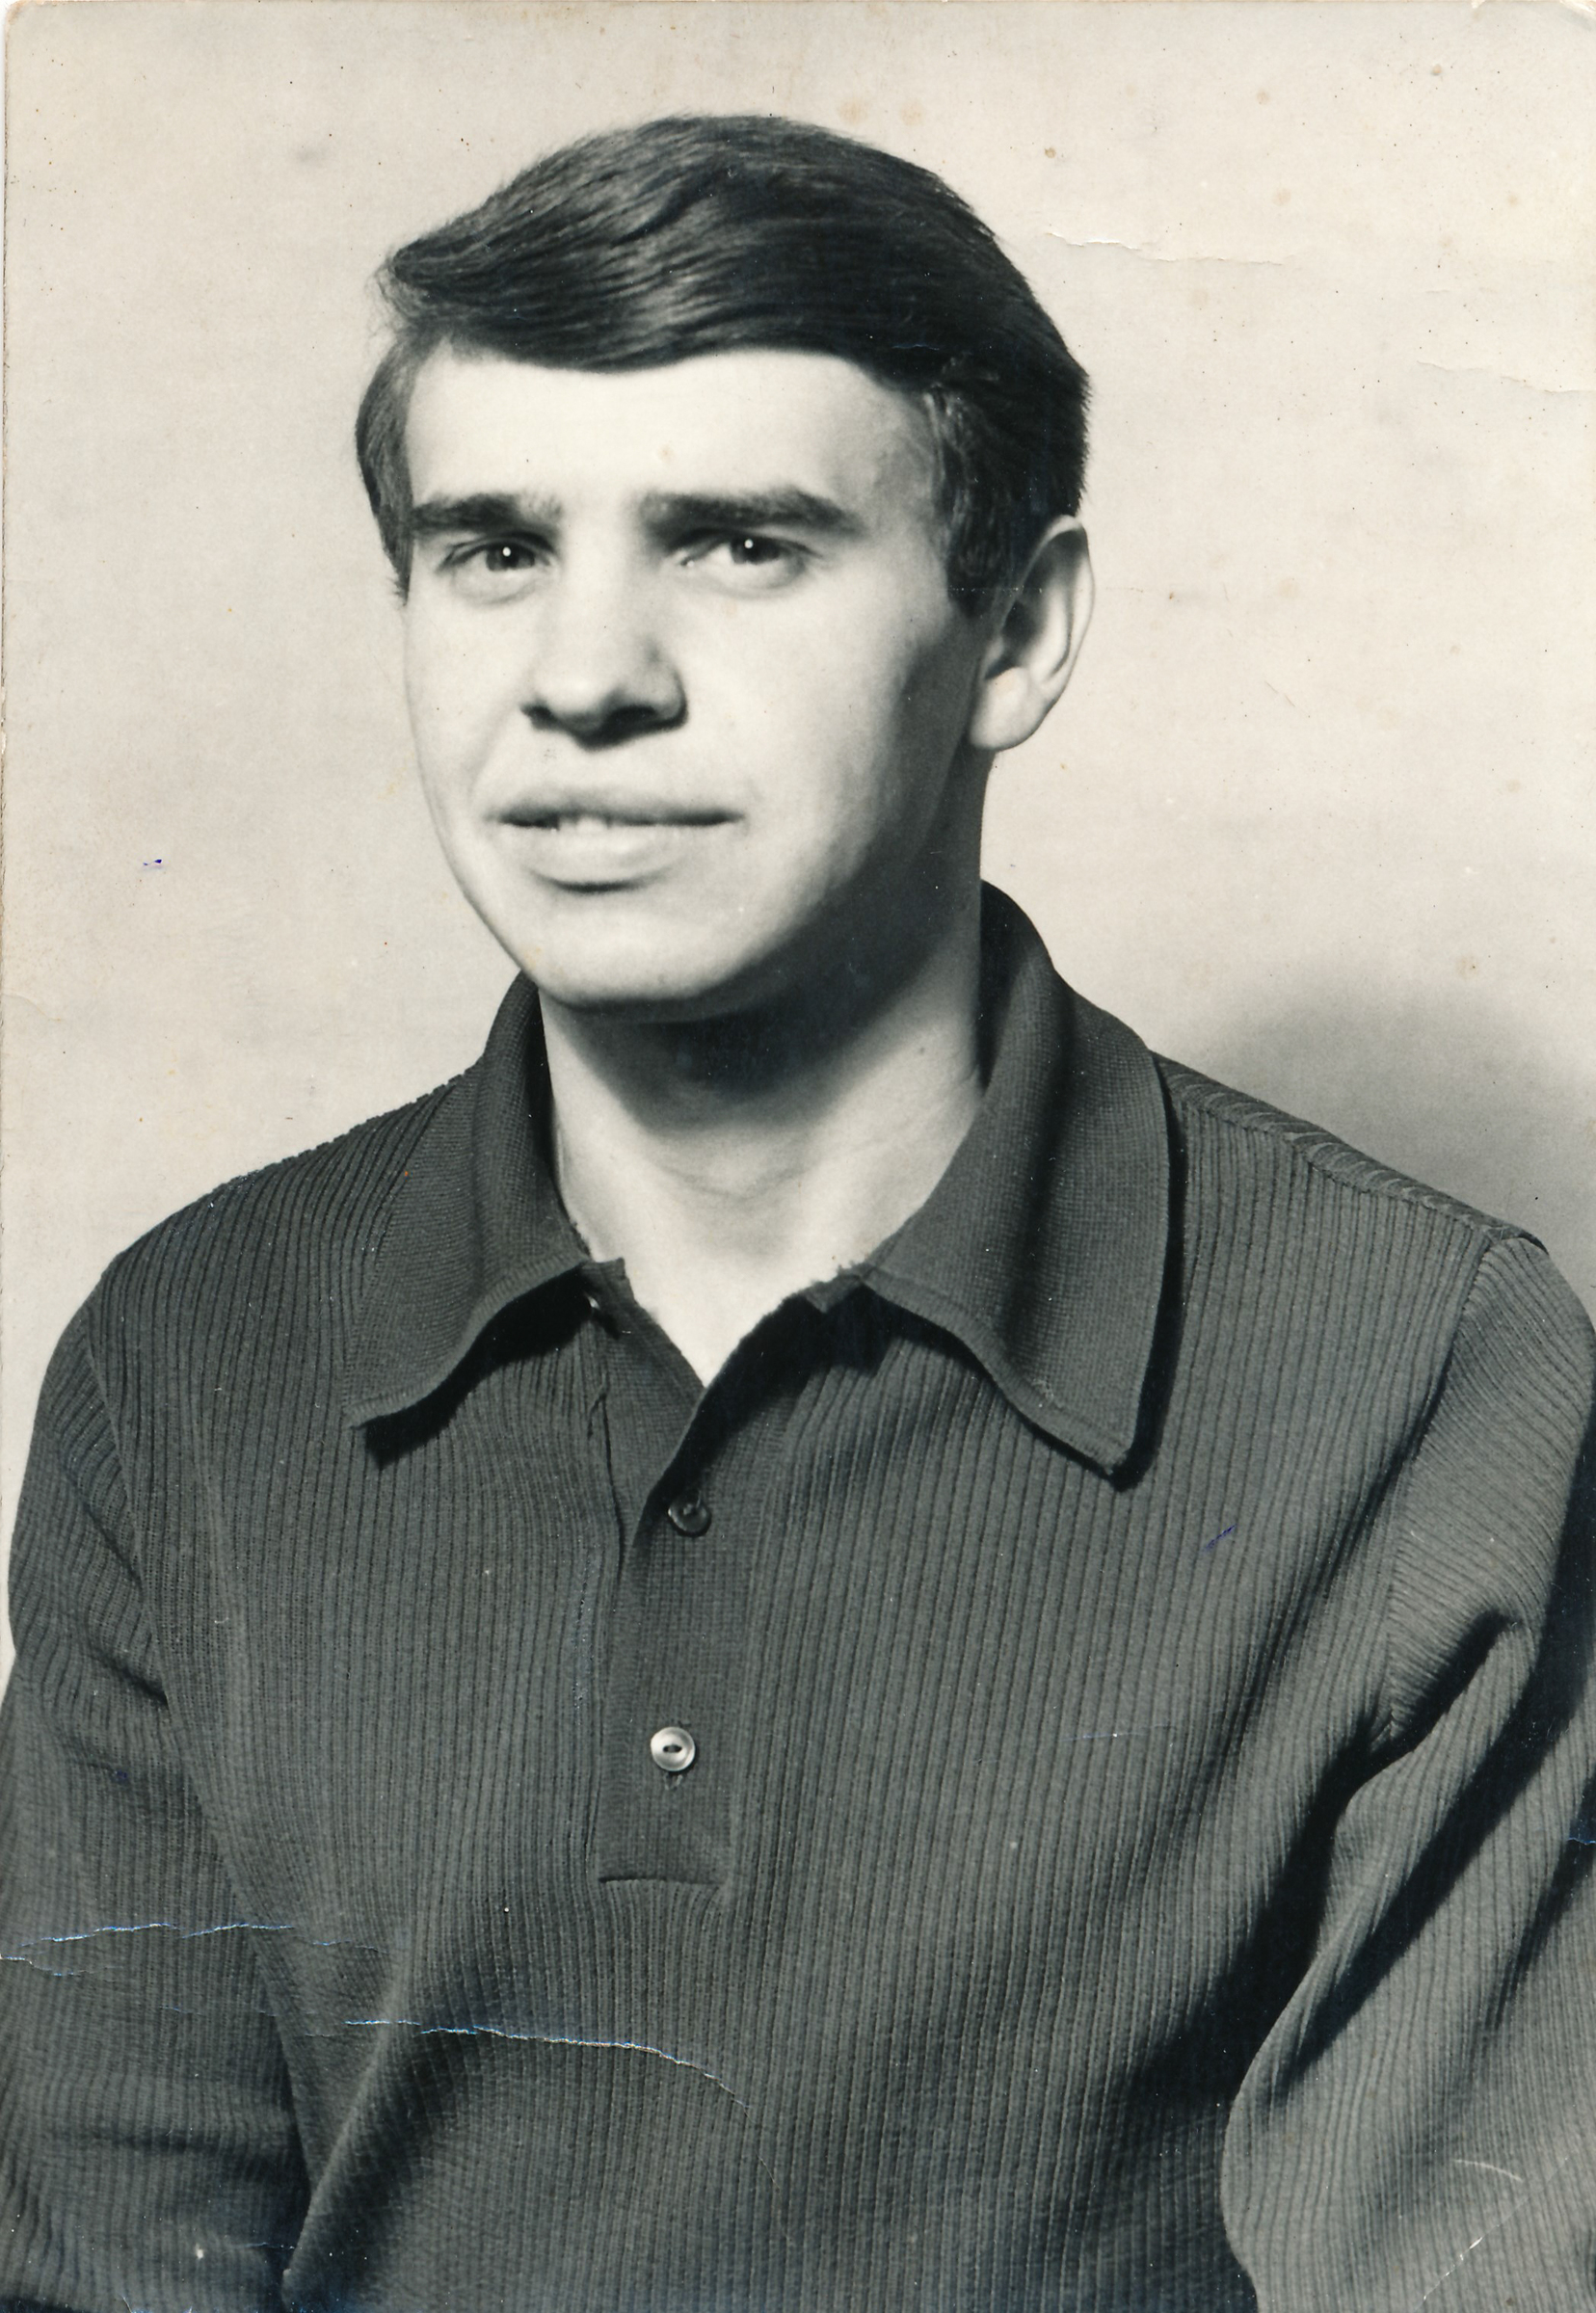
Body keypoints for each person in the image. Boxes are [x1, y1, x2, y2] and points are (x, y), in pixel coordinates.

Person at [2, 112, 1592, 2313]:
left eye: (741, 542)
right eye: (492, 547)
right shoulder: (189, 1358)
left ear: (1017, 632)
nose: (585, 675)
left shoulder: (1425, 1375)